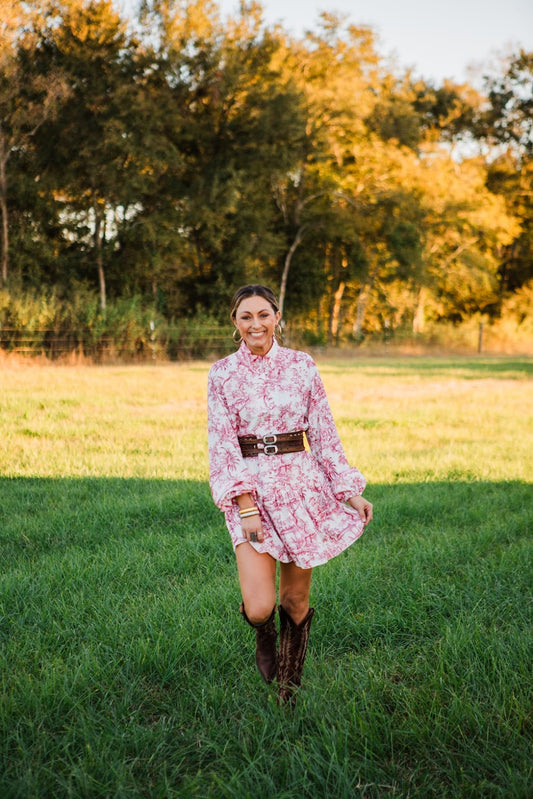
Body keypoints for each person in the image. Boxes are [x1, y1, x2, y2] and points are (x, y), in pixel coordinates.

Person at [207, 284, 373, 705]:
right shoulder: (222, 374)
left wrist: (349, 491)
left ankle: (288, 689)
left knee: (295, 599)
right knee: (261, 606)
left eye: (264, 314)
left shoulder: (302, 366)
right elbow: (222, 444)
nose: (256, 324)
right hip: (253, 494)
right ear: (235, 323)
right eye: (246, 316)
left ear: (277, 317)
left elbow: (323, 433)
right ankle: (264, 635)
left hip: (302, 489)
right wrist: (245, 505)